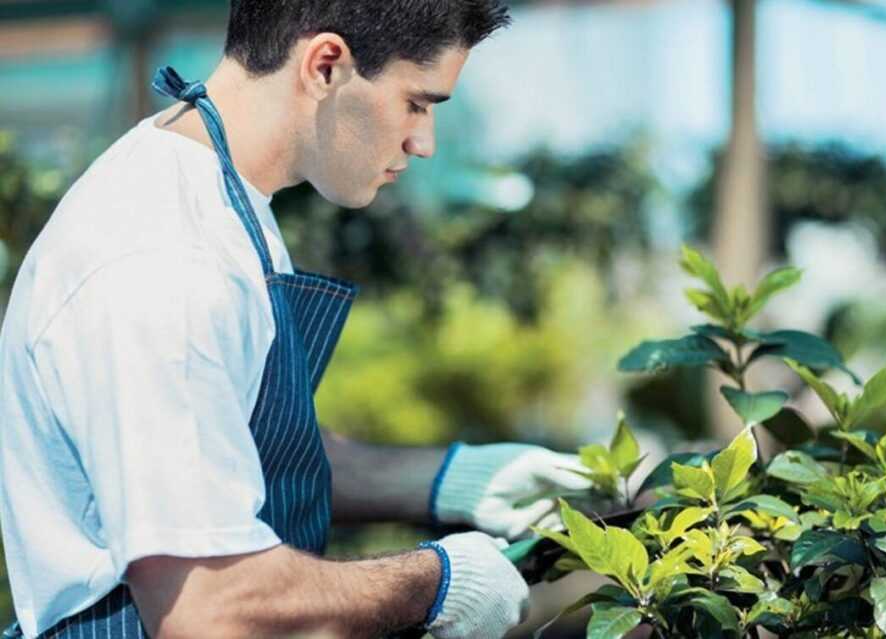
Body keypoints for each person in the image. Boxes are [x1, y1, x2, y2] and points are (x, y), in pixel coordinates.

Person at [0, 2, 594, 637]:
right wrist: (433, 584)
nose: (424, 143)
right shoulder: (166, 263)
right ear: (326, 66)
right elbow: (209, 606)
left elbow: (236, 451)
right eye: (416, 104)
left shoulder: (215, 196)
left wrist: (451, 480)